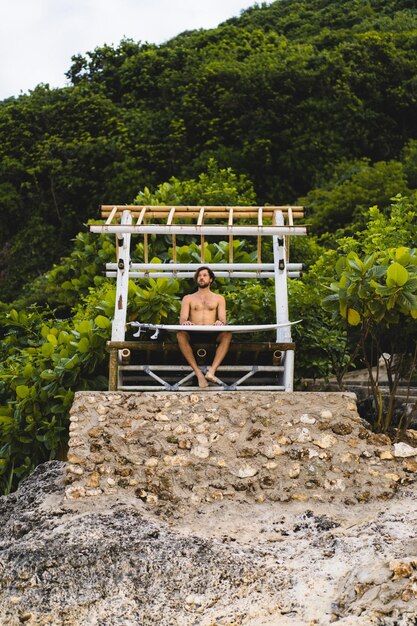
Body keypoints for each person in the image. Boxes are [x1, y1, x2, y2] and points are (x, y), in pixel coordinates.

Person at [177, 266, 232, 388]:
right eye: (199, 276)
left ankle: (211, 371)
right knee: (180, 334)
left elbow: (223, 319)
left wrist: (220, 322)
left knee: (227, 334)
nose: (201, 278)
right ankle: (199, 374)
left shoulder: (219, 298)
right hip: (193, 333)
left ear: (211, 279)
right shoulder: (188, 298)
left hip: (212, 333)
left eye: (204, 275)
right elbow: (182, 319)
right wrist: (186, 323)